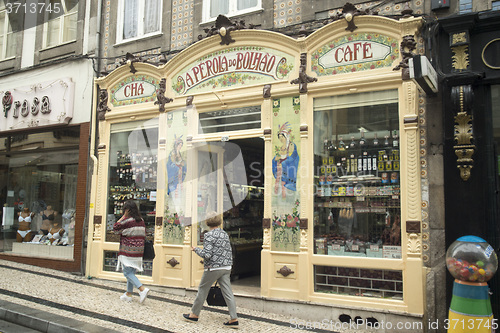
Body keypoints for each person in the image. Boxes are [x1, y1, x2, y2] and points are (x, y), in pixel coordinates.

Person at [183, 212, 238, 329]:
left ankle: (194, 314)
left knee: (203, 289)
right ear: (218, 222)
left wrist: (195, 249)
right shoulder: (224, 234)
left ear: (207, 222)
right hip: (226, 266)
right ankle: (234, 318)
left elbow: (207, 255)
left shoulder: (208, 235)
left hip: (213, 267)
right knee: (228, 292)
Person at [113, 200, 150, 303]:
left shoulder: (127, 221)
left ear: (128, 210)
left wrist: (123, 217)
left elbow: (115, 228)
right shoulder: (141, 220)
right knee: (131, 272)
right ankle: (128, 294)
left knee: (127, 273)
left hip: (128, 251)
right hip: (138, 251)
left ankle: (142, 289)